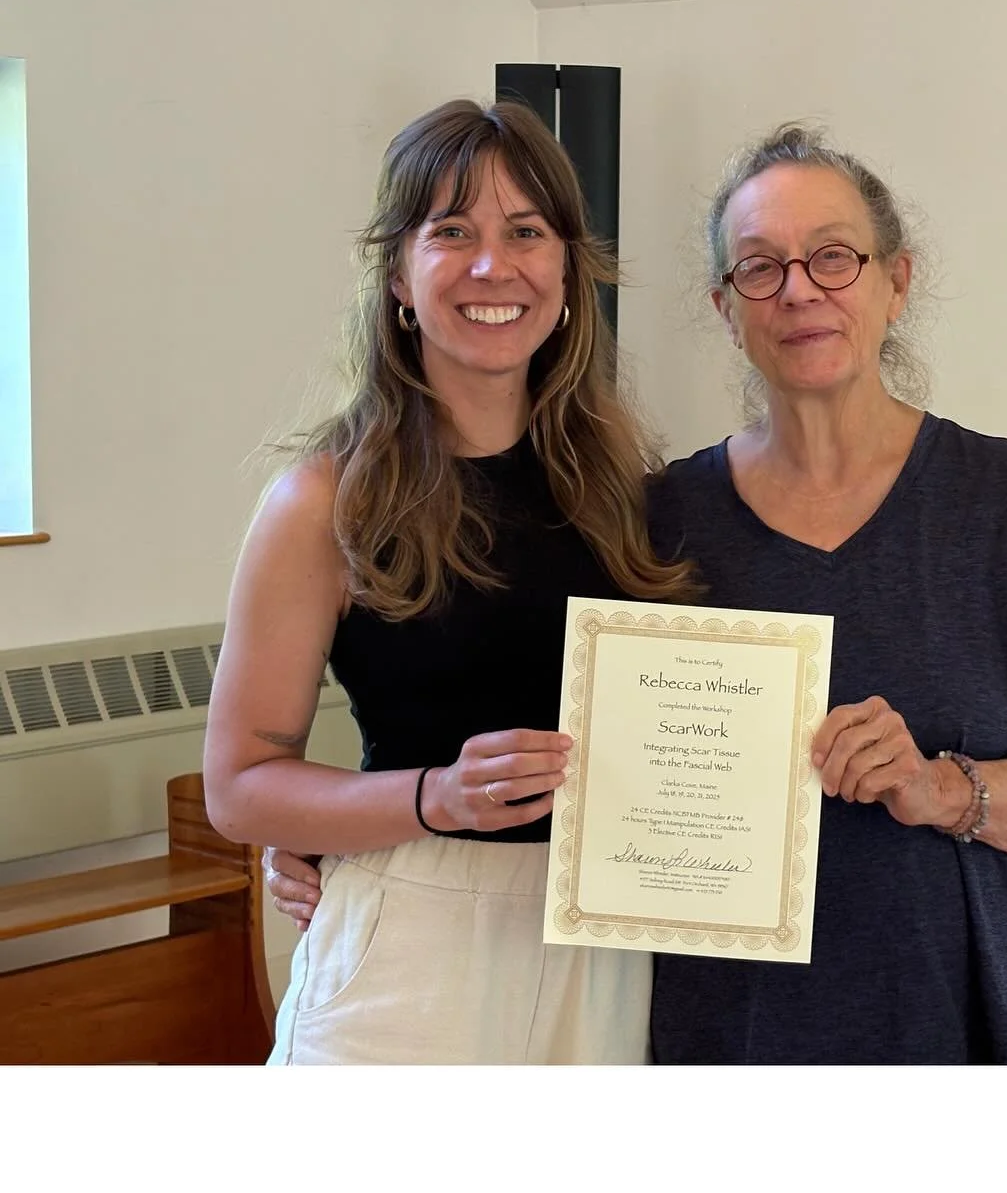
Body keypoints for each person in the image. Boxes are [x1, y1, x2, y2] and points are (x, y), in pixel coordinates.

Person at [266, 122, 1007, 1065]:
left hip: (979, 999)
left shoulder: (1006, 496)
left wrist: (938, 789)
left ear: (898, 280)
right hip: (729, 1015)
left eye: (834, 257)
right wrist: (341, 837)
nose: (799, 288)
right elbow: (528, 697)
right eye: (760, 268)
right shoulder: (654, 517)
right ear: (727, 308)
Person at [203, 98, 695, 1065]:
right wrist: (432, 797)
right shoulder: (324, 501)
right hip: (412, 936)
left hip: (608, 936)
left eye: (526, 233)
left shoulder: (633, 488)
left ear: (565, 270)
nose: (491, 266)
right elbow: (240, 787)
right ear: (397, 273)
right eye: (452, 233)